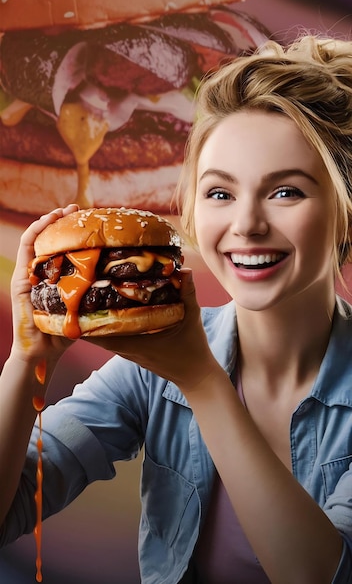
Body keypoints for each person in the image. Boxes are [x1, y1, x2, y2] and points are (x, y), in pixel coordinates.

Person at [1, 32, 352, 584]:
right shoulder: (150, 372)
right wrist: (24, 362)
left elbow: (322, 574)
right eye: (220, 193)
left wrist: (203, 381)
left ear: (345, 209)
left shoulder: (180, 363)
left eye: (286, 192)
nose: (246, 225)